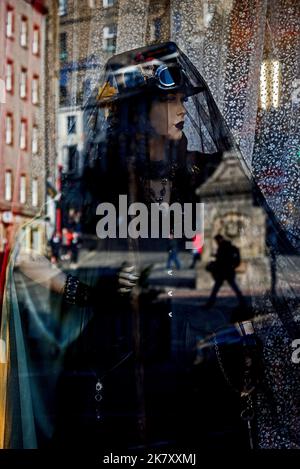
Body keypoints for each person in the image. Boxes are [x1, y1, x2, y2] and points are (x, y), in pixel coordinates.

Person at [1, 41, 299, 451]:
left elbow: (260, 250)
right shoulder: (97, 183)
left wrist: (243, 318)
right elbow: (25, 252)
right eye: (168, 100)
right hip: (123, 369)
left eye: (182, 99)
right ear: (138, 111)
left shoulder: (206, 171)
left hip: (202, 363)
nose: (181, 111)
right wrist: (87, 290)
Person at [205, 234, 244, 308]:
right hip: (227, 271)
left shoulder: (223, 247)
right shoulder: (227, 246)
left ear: (219, 240)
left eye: (216, 241)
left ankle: (210, 303)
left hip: (225, 271)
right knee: (233, 288)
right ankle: (242, 302)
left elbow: (222, 260)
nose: (216, 242)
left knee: (218, 288)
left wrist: (214, 262)